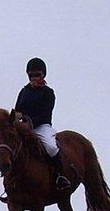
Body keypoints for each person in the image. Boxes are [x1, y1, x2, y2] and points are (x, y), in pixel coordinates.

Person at [14, 57, 71, 191]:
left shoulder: (48, 92)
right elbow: (18, 110)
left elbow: (45, 113)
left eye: (37, 75)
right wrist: (14, 119)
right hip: (24, 127)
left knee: (50, 147)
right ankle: (12, 182)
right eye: (31, 75)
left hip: (42, 126)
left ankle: (60, 176)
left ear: (43, 75)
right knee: (11, 146)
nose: (34, 78)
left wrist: (28, 122)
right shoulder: (24, 92)